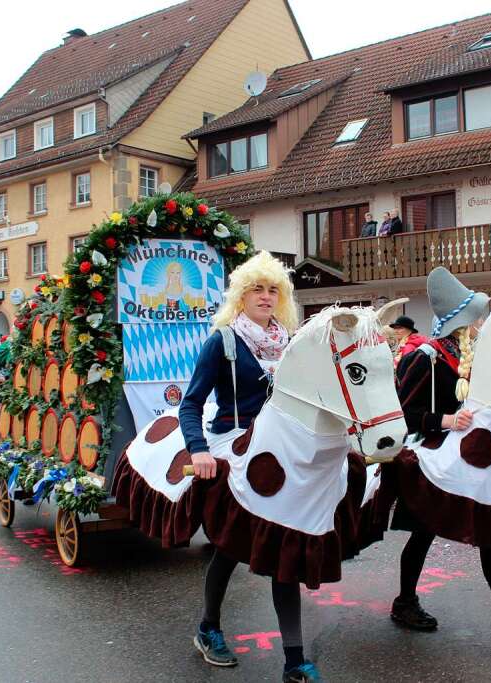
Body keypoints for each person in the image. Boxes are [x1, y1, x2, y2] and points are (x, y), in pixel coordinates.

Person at [179, 252, 318, 682]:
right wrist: (198, 449)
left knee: (285, 550)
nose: (265, 296)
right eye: (257, 288)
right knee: (231, 547)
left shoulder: (291, 342)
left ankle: (294, 660)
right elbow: (191, 404)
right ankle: (208, 627)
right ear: (240, 296)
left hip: (281, 450)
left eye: (273, 289)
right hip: (234, 446)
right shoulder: (222, 341)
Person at [389, 267, 491, 642]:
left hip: (474, 459)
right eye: (477, 317)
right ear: (462, 321)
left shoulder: (480, 355)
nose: (481, 323)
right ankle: (405, 601)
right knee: (422, 534)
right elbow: (402, 414)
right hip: (433, 460)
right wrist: (443, 419)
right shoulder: (426, 357)